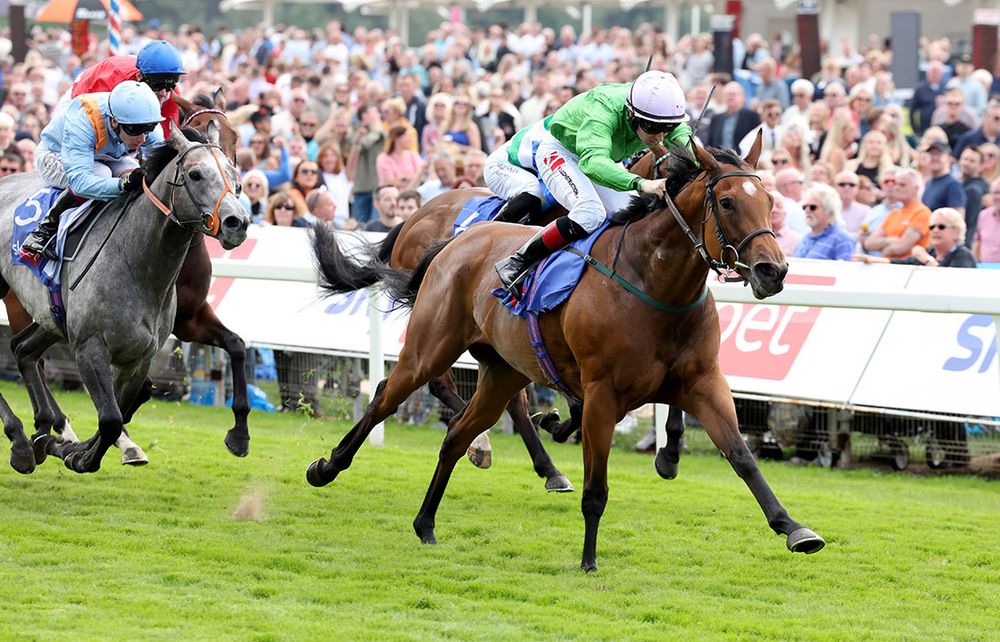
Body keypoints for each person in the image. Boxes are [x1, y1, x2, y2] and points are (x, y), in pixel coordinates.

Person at [485, 69, 692, 295]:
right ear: (632, 114)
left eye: (667, 128)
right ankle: (516, 263)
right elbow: (593, 163)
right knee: (590, 212)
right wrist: (642, 184)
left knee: (633, 212)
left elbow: (690, 148)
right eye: (652, 128)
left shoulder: (662, 114)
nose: (660, 137)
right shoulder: (603, 110)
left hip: (599, 156)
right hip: (562, 152)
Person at [22, 82, 165, 259]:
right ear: (114, 121)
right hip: (56, 152)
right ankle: (44, 229)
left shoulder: (144, 117)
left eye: (148, 129)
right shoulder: (85, 118)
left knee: (136, 174)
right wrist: (121, 185)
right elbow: (80, 182)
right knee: (102, 175)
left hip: (107, 155)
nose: (143, 138)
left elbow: (159, 167)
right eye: (135, 130)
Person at [63, 40, 186, 138]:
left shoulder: (172, 95)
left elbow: (165, 140)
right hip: (81, 97)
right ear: (139, 77)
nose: (163, 93)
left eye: (170, 86)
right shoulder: (117, 82)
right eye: (157, 85)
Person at [857, 208, 976, 268]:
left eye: (941, 227)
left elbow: (949, 283)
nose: (935, 230)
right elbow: (902, 263)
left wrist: (926, 259)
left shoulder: (963, 255)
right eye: (932, 227)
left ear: (957, 231)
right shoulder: (932, 252)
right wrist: (872, 260)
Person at [862, 168, 931, 260]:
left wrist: (883, 248)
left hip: (910, 268)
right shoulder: (894, 213)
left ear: (916, 189)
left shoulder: (921, 212)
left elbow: (900, 248)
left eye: (902, 185)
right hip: (890, 266)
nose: (897, 188)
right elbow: (869, 243)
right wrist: (890, 241)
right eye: (896, 184)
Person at [793, 183, 854, 261]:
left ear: (829, 211)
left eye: (813, 207)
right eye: (805, 207)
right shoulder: (806, 238)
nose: (807, 210)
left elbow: (846, 271)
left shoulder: (842, 239)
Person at [921, 140, 965, 215]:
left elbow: (958, 217)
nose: (934, 158)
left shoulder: (953, 185)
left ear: (949, 158)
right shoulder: (929, 182)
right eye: (931, 154)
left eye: (938, 154)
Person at [959, 146, 989, 247]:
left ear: (981, 166)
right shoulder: (959, 184)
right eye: (965, 159)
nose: (966, 163)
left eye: (972, 161)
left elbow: (970, 222)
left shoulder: (973, 190)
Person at [833, 170, 870, 239]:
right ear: (834, 187)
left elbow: (865, 234)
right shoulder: (826, 210)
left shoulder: (866, 211)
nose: (847, 188)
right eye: (842, 184)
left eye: (852, 185)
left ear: (858, 188)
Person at [973, 178, 1000, 263]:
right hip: (985, 270)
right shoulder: (983, 215)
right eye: (995, 193)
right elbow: (977, 243)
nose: (998, 196)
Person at [769, 189, 802, 255]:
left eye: (778, 206)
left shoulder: (797, 240)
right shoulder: (756, 237)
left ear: (785, 212)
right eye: (770, 206)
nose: (773, 210)